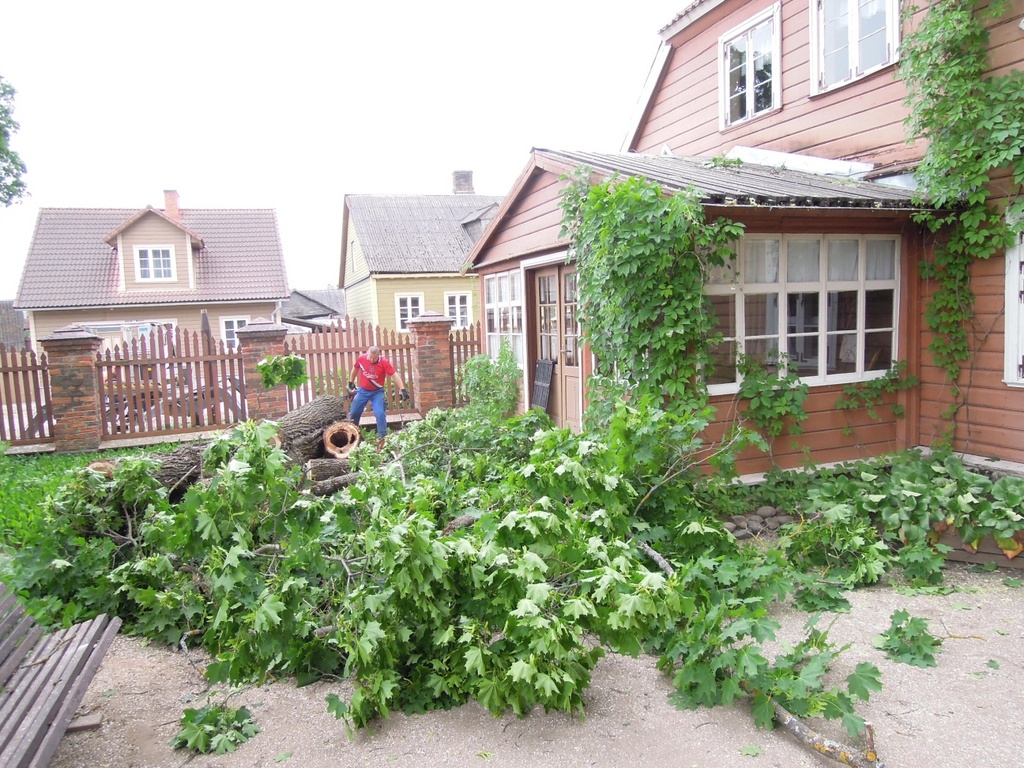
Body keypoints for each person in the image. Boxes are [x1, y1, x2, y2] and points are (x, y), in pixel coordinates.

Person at [346, 345, 409, 443]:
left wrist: (403, 389)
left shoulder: (384, 362)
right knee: (354, 413)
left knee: (380, 414)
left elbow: (395, 375)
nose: (371, 360)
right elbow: (355, 369)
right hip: (362, 391)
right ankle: (353, 436)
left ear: (378, 355)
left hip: (377, 392)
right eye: (370, 357)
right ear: (367, 353)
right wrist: (351, 382)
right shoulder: (362, 358)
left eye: (374, 358)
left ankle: (382, 438)